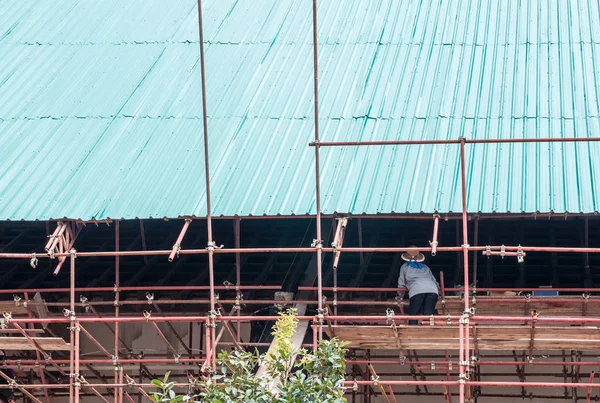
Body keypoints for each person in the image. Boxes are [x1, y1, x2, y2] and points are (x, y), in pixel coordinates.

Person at [396, 246, 440, 325]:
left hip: (416, 290)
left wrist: (400, 295)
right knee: (428, 315)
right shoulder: (426, 267)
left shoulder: (405, 267)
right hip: (432, 290)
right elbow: (435, 282)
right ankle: (427, 333)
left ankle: (412, 332)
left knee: (414, 314)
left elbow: (401, 283)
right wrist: (439, 294)